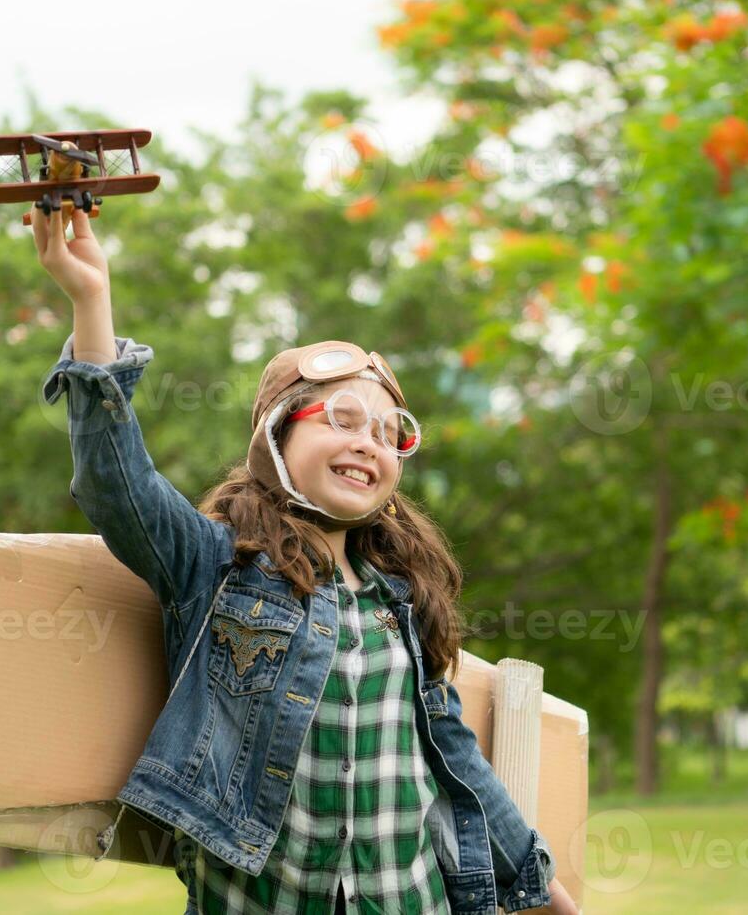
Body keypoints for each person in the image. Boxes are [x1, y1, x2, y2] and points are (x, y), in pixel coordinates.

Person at [32, 205, 579, 915]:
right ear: (276, 437)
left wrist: (546, 893)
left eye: (390, 434)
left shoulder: (402, 602)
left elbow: (454, 759)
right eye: (343, 419)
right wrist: (90, 300)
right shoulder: (214, 566)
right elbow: (115, 483)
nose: (369, 443)